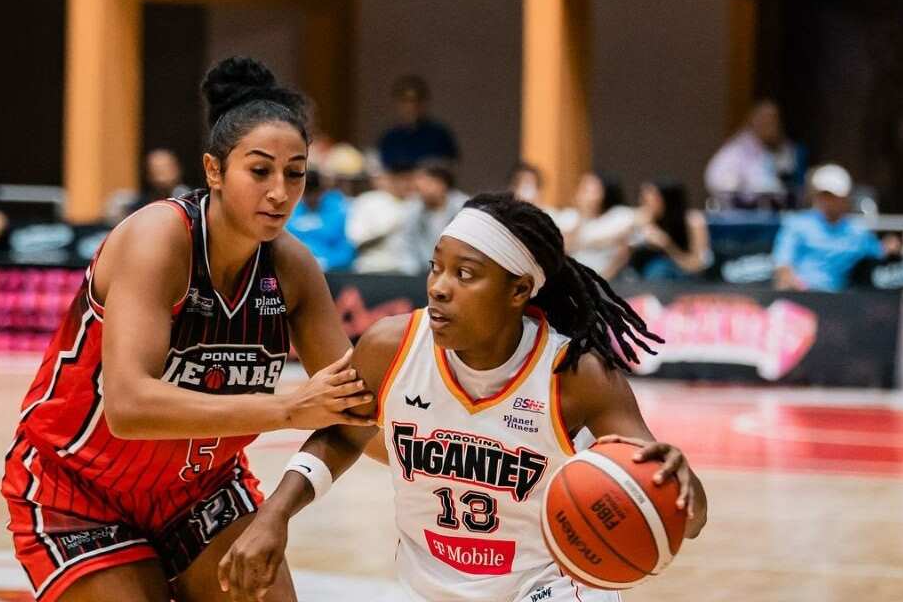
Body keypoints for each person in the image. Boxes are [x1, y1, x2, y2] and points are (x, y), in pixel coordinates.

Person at [0, 57, 373, 602]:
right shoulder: (160, 237)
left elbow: (355, 416)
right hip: (78, 487)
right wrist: (288, 410)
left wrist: (457, 435)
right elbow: (128, 406)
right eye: (261, 170)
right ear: (215, 170)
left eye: (295, 173)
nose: (279, 191)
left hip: (200, 489)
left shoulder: (294, 268)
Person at [219, 192, 708, 602]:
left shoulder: (576, 374)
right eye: (437, 268)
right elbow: (342, 437)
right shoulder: (391, 347)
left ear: (518, 290)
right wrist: (274, 515)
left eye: (465, 274)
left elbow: (681, 516)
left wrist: (681, 487)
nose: (439, 288)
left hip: (548, 587)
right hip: (426, 589)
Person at [772, 164, 887, 292]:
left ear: (845, 198)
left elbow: (879, 250)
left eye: (832, 196)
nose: (827, 201)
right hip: (799, 297)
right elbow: (782, 267)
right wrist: (798, 288)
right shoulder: (796, 224)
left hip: (839, 303)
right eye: (824, 195)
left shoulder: (858, 231)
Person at [704, 101, 804, 209]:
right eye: (766, 120)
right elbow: (717, 181)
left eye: (775, 121)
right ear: (755, 120)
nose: (772, 126)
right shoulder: (738, 149)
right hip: (739, 212)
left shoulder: (779, 148)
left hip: (769, 211)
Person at [623, 179, 712, 280]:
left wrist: (667, 245)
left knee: (659, 269)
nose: (644, 204)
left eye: (650, 199)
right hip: (644, 275)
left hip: (684, 274)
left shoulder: (693, 220)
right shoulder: (643, 219)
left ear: (667, 199)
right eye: (643, 199)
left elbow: (698, 265)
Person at [553, 172, 636, 279]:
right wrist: (582, 215)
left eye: (594, 190)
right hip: (575, 278)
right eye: (584, 189)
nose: (588, 195)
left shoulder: (617, 216)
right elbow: (565, 248)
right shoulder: (568, 216)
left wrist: (603, 280)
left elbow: (624, 251)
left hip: (610, 279)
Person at [376, 75, 459, 172]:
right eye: (405, 101)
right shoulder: (389, 138)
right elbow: (381, 170)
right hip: (396, 186)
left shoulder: (440, 135)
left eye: (416, 101)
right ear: (397, 103)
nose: (411, 107)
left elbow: (451, 167)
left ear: (425, 103)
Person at [400, 161, 469, 275]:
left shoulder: (464, 207)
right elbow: (408, 246)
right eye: (418, 185)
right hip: (422, 273)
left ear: (442, 184)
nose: (421, 188)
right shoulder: (413, 209)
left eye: (427, 183)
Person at [347, 163, 415, 274]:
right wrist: (390, 225)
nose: (406, 185)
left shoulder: (414, 204)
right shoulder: (367, 200)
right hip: (370, 268)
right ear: (391, 179)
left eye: (410, 180)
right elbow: (355, 238)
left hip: (405, 271)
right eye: (402, 179)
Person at [286, 169, 355, 272]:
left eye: (314, 192)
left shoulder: (338, 209)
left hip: (332, 272)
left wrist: (327, 262)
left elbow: (347, 250)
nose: (310, 197)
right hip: (295, 269)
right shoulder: (291, 210)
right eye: (306, 192)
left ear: (322, 191)